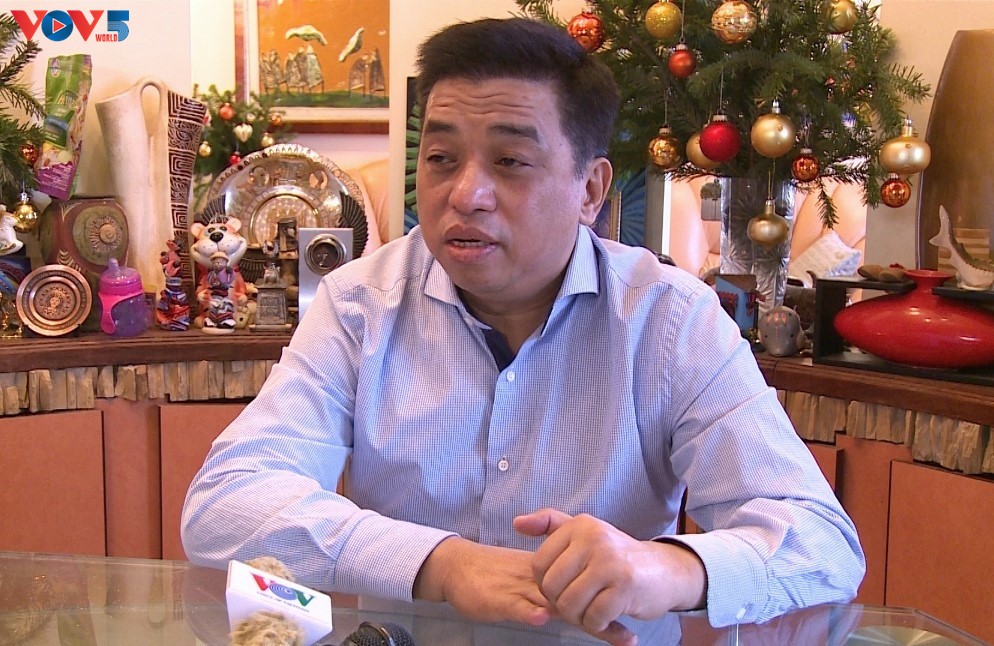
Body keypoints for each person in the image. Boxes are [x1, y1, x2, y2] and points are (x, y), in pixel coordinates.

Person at [182, 17, 864, 646]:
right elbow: (225, 503)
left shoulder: (669, 320)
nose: (465, 194)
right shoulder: (359, 305)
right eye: (441, 158)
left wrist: (669, 569)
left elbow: (822, 542)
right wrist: (439, 563)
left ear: (590, 190)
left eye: (510, 162)